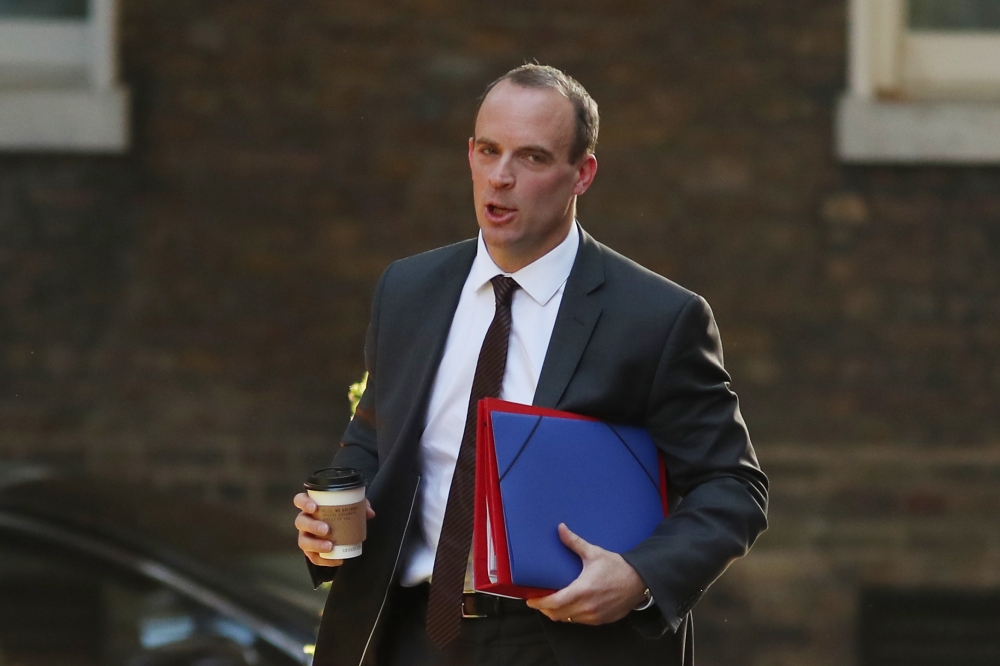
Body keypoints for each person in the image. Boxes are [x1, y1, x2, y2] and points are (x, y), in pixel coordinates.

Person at [293, 64, 768, 666]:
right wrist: (331, 525)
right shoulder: (408, 290)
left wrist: (638, 577)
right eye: (488, 150)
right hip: (403, 635)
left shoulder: (657, 319)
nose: (501, 177)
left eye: (533, 158)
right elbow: (372, 436)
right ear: (469, 152)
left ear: (582, 174)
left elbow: (732, 487)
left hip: (561, 644)